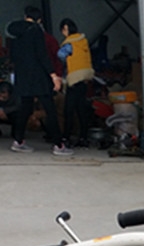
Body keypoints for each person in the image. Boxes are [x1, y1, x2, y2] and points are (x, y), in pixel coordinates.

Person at [5, 6, 73, 155]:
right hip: (38, 78)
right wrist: (54, 75)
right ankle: (59, 145)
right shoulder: (36, 31)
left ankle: (18, 141)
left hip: (23, 78)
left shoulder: (14, 34)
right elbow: (43, 55)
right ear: (40, 19)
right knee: (50, 109)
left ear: (25, 17)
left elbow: (13, 57)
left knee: (25, 109)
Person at [58, 18, 94, 146]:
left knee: (69, 110)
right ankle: (83, 137)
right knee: (81, 110)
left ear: (65, 30)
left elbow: (60, 55)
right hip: (85, 79)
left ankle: (65, 137)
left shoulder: (69, 44)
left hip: (74, 79)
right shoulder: (83, 41)